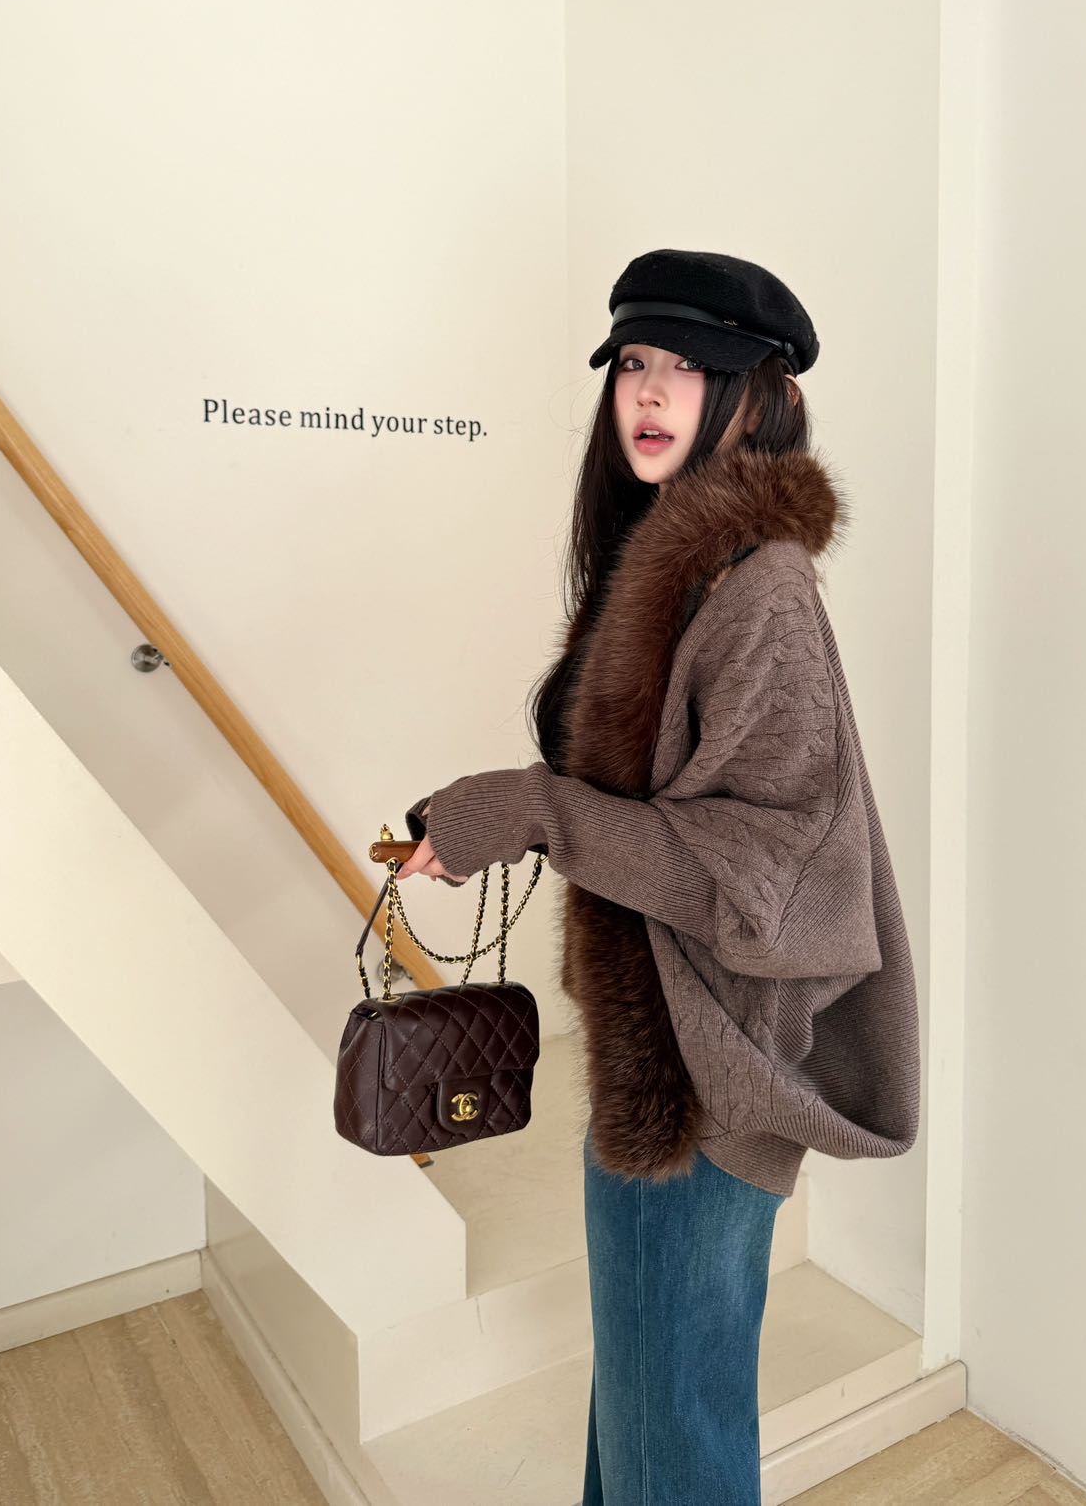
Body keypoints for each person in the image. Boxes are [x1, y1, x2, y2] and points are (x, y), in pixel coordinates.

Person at [398, 247, 921, 1506]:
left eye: (688, 367)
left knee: (669, 1442)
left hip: (708, 1078)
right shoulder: (671, 565)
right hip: (667, 1055)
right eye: (633, 361)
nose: (647, 390)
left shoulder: (759, 593)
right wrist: (505, 816)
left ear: (764, 395)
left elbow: (765, 869)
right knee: (648, 1420)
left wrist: (531, 810)